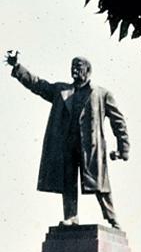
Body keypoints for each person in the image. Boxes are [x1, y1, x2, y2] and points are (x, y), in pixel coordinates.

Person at [6, 52, 129, 228]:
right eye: (72, 66)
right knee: (68, 182)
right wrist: (18, 68)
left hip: (91, 148)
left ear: (88, 70)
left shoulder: (102, 94)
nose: (74, 70)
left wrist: (123, 148)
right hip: (67, 146)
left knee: (100, 184)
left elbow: (118, 121)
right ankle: (71, 217)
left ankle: (112, 218)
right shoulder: (61, 91)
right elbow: (38, 85)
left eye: (78, 67)